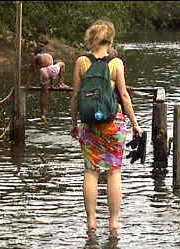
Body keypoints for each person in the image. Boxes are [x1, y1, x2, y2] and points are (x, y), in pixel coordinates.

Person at [70, 20, 142, 232]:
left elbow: (75, 96)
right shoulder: (116, 63)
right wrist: (135, 123)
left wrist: (74, 123)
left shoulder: (81, 62)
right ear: (110, 40)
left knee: (91, 172)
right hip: (113, 124)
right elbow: (124, 96)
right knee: (113, 172)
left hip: (90, 124)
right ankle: (113, 222)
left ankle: (91, 221)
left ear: (91, 39)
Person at [27, 46, 68, 122]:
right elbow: (51, 73)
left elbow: (32, 71)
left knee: (44, 93)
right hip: (53, 71)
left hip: (44, 72)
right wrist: (52, 84)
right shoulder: (48, 56)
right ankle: (60, 83)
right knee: (62, 64)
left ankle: (43, 113)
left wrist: (28, 84)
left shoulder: (36, 57)